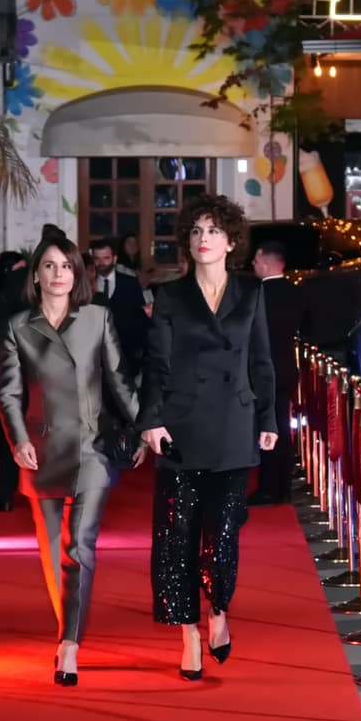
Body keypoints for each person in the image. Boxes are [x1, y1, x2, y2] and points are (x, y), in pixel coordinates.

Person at [138, 194, 278, 681]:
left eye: (214, 231)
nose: (204, 239)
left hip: (234, 426)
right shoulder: (171, 295)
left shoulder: (252, 292)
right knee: (177, 536)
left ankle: (218, 609)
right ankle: (188, 635)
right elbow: (156, 364)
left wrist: (268, 419)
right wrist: (150, 419)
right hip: (181, 426)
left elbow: (262, 361)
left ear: (231, 241)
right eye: (196, 231)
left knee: (222, 532)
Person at [0, 234, 143, 686]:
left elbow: (119, 381)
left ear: (77, 273)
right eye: (49, 266)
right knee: (51, 551)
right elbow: (9, 393)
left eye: (66, 266)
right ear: (36, 275)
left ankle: (69, 643)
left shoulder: (98, 318)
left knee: (78, 547)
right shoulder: (18, 326)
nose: (58, 273)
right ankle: (68, 624)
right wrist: (18, 439)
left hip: (91, 449)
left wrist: (146, 427)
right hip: (40, 452)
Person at [249, 241, 308, 505]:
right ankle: (282, 485)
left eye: (255, 260)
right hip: (286, 367)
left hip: (262, 370)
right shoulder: (296, 292)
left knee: (266, 428)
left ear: (265, 262)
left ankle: (269, 487)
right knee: (282, 426)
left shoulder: (257, 294)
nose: (252, 264)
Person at [0, 251, 28, 511]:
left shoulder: (1, 291)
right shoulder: (35, 286)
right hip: (33, 370)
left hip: (10, 367)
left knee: (10, 430)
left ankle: (7, 492)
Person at [91, 239, 150, 373]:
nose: (101, 263)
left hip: (127, 353)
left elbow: (140, 316)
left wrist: (140, 350)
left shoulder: (130, 283)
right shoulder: (88, 284)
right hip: (96, 357)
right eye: (97, 259)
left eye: (106, 258)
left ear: (115, 259)